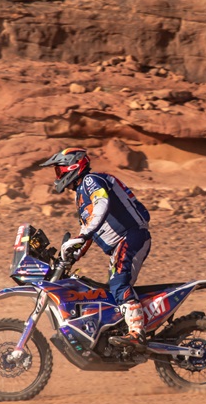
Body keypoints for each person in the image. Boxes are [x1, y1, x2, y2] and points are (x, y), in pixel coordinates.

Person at [40, 147, 152, 349]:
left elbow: (102, 204)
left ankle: (137, 333)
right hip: (122, 242)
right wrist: (71, 255)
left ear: (73, 166)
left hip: (131, 236)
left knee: (118, 283)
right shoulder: (81, 195)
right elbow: (90, 227)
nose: (58, 176)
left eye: (59, 170)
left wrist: (82, 236)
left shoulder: (91, 181)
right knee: (104, 289)